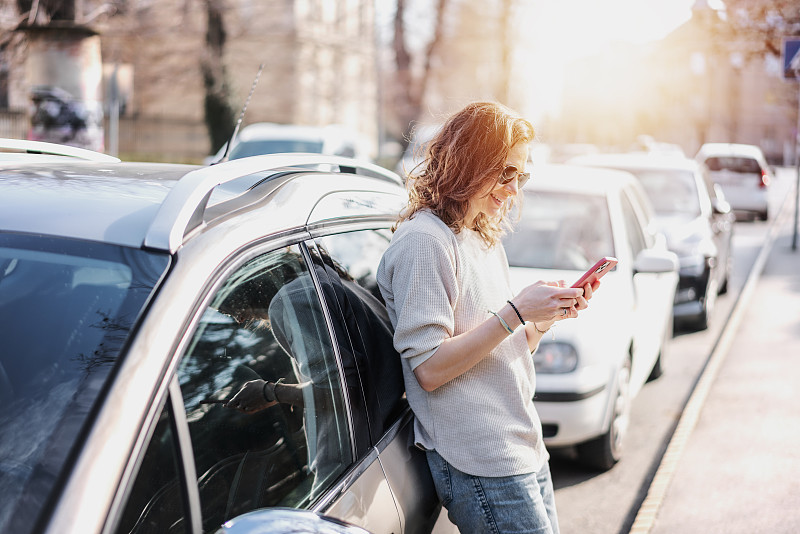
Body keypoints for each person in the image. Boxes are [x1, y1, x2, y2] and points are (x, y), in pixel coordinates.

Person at [376, 101, 600, 534]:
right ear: (467, 163)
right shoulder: (425, 242)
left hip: (521, 446)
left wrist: (544, 317)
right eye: (506, 173)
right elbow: (429, 369)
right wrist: (516, 311)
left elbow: (508, 343)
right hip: (480, 460)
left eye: (521, 176)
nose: (513, 190)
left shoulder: (481, 234)